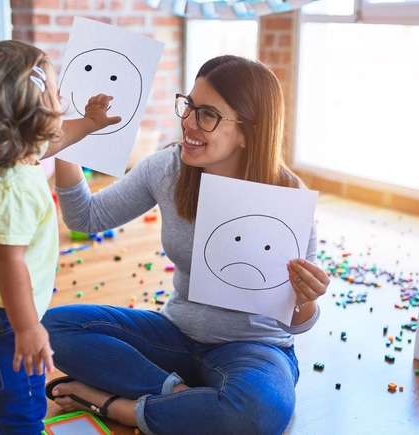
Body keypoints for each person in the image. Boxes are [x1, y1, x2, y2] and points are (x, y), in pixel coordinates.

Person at [44, 55, 330, 435]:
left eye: (207, 114)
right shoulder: (168, 169)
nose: (189, 122)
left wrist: (307, 297)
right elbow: (86, 218)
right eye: (189, 105)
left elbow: (299, 322)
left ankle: (120, 406)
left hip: (253, 349)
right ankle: (175, 394)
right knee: (51, 328)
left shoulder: (288, 194)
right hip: (175, 336)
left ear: (248, 131)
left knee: (259, 412)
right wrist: (68, 142)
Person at [0, 40, 120, 434]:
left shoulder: (1, 158)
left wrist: (90, 122)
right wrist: (28, 328)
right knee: (23, 414)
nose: (62, 96)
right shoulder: (12, 189)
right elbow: (9, 262)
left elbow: (55, 140)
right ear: (31, 117)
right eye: (53, 92)